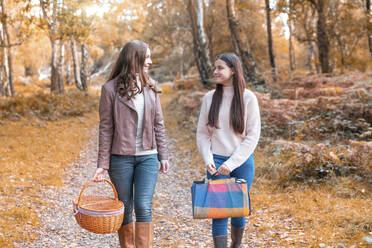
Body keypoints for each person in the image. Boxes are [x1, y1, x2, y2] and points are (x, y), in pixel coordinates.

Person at [92, 40, 169, 248]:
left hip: (148, 157)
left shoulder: (151, 87)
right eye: (147, 56)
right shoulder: (110, 89)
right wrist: (102, 163)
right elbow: (105, 128)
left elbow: (158, 124)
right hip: (120, 159)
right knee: (125, 208)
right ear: (134, 58)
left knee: (143, 205)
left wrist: (163, 155)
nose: (150, 61)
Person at [196, 53, 261, 248]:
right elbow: (202, 133)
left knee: (238, 211)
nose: (215, 71)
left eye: (220, 68)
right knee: (220, 212)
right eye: (214, 68)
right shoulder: (209, 98)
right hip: (215, 162)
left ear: (233, 70)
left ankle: (236, 245)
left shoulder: (248, 98)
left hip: (242, 163)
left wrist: (231, 163)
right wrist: (208, 158)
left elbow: (252, 135)